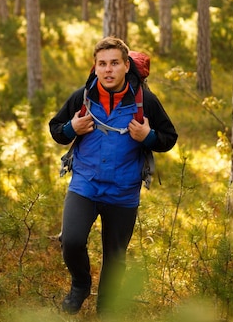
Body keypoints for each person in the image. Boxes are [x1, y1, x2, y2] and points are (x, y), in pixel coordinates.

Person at [49, 36, 178, 315]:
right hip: (85, 185)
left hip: (123, 191)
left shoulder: (146, 101)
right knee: (71, 241)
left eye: (115, 63)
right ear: (95, 67)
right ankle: (81, 285)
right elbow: (56, 129)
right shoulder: (82, 97)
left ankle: (106, 309)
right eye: (102, 64)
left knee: (115, 256)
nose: (108, 70)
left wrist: (148, 136)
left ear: (125, 65)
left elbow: (169, 138)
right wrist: (72, 128)